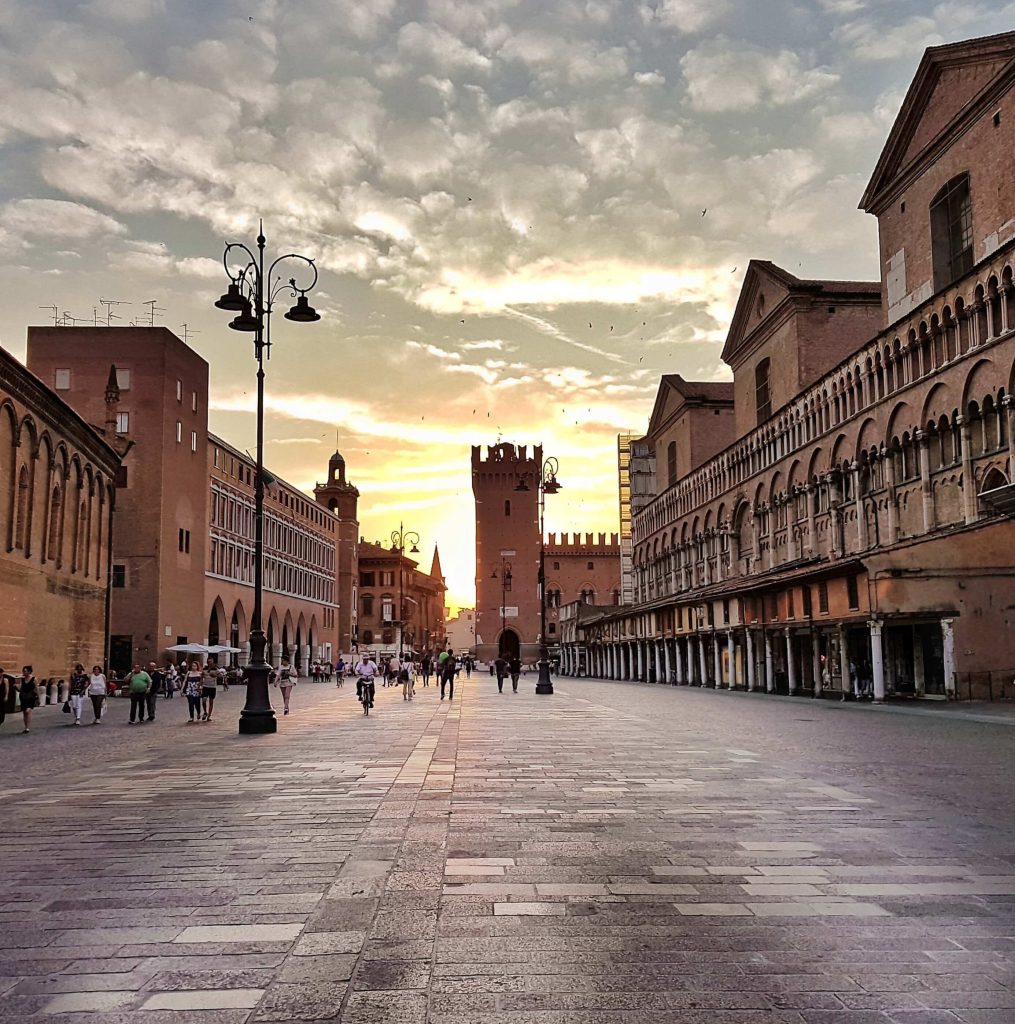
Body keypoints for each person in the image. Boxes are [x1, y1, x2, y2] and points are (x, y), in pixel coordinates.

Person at [16, 665, 39, 733]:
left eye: (25, 671)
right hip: (23, 697)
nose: (23, 672)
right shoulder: (22, 679)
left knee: (28, 711)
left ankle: (27, 727)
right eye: (23, 671)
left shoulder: (34, 679)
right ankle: (26, 727)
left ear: (29, 671)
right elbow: (20, 689)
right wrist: (16, 687)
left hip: (31, 697)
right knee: (24, 713)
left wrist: (38, 698)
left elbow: (36, 689)